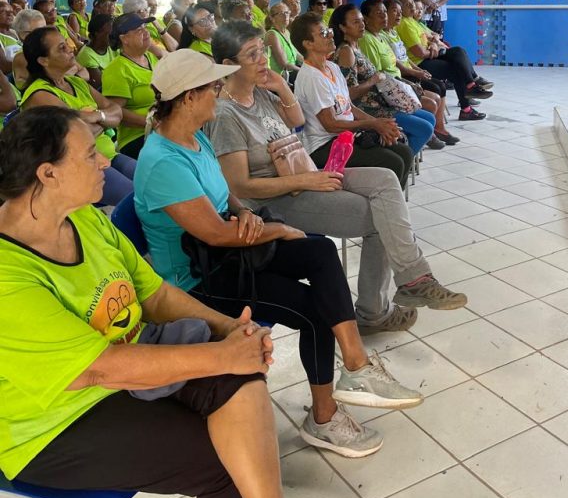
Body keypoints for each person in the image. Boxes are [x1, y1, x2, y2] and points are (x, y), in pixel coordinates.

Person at [0, 106, 310, 498]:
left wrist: (229, 330)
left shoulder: (83, 218)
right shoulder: (8, 274)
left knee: (240, 375)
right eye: (89, 154)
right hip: (53, 423)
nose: (104, 160)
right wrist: (223, 353)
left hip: (125, 372)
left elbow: (155, 295)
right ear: (48, 174)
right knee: (220, 464)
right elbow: (97, 369)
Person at [135, 49, 423, 458]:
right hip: (200, 279)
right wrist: (278, 228)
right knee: (314, 310)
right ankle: (325, 416)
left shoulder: (196, 137)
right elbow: (215, 235)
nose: (218, 93)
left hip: (232, 255)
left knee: (319, 251)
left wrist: (242, 212)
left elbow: (225, 196)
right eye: (212, 87)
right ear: (187, 98)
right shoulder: (163, 161)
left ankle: (356, 366)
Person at [206, 21, 468, 326]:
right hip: (274, 200)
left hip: (302, 174)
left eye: (262, 51)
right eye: (252, 55)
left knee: (385, 179)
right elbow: (240, 186)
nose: (263, 59)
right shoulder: (225, 115)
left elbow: (295, 119)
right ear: (229, 65)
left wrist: (281, 86)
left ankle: (413, 280)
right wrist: (307, 180)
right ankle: (376, 312)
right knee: (379, 219)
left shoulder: (259, 93)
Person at [289, 12, 414, 188]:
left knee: (405, 153)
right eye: (323, 34)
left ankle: (389, 201)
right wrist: (372, 124)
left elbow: (349, 107)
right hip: (324, 145)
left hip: (345, 136)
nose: (331, 35)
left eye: (329, 31)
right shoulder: (312, 77)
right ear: (308, 44)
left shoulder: (331, 67)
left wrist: (380, 124)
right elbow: (330, 125)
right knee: (393, 162)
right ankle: (380, 201)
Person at [20, 27, 137, 206]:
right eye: (62, 48)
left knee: (154, 182)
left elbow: (117, 112)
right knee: (138, 198)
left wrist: (96, 116)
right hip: (79, 167)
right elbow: (75, 137)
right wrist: (104, 121)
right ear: (43, 60)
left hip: (108, 154)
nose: (71, 48)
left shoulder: (76, 82)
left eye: (67, 43)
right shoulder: (39, 94)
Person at [331, 3, 436, 155]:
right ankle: (401, 161)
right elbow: (349, 94)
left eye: (362, 20)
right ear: (343, 27)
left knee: (429, 118)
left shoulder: (356, 46)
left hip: (381, 102)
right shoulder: (346, 52)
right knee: (424, 128)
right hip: (369, 109)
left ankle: (402, 154)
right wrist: (373, 80)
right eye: (355, 22)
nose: (362, 25)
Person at [396, 0, 489, 122]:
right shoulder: (405, 24)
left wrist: (434, 44)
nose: (412, 7)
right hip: (420, 63)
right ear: (400, 8)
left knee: (458, 55)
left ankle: (470, 89)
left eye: (412, 4)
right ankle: (471, 87)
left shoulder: (413, 21)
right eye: (407, 5)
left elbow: (432, 36)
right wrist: (434, 48)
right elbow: (420, 53)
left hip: (429, 56)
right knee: (456, 59)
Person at [383, 0, 458, 146]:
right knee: (433, 97)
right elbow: (396, 62)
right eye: (394, 11)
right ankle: (431, 133)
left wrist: (418, 69)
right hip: (400, 77)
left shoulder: (394, 33)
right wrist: (415, 73)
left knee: (440, 86)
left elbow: (404, 57)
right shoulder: (383, 36)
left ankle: (437, 129)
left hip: (409, 71)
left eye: (400, 12)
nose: (399, 15)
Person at [101, 13, 159, 158]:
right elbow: (116, 111)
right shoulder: (117, 69)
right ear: (124, 39)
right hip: (138, 137)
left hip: (162, 128)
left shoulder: (150, 57)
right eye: (139, 30)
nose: (146, 32)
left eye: (145, 27)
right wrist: (152, 123)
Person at [76, 13, 116, 91]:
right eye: (110, 34)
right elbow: (101, 86)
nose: (114, 36)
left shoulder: (112, 47)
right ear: (97, 34)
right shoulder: (87, 56)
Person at [11, 9, 48, 91]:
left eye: (46, 29)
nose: (47, 34)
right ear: (24, 35)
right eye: (41, 31)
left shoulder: (43, 51)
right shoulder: (22, 57)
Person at [265, 2, 302, 76]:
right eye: (281, 13)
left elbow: (297, 55)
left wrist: (310, 65)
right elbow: (284, 64)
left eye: (287, 12)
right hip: (282, 75)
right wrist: (303, 71)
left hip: (292, 70)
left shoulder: (287, 32)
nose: (285, 16)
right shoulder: (272, 35)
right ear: (272, 18)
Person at [0, 0, 20, 74]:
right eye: (2, 11)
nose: (9, 14)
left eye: (11, 11)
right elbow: (4, 67)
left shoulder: (14, 32)